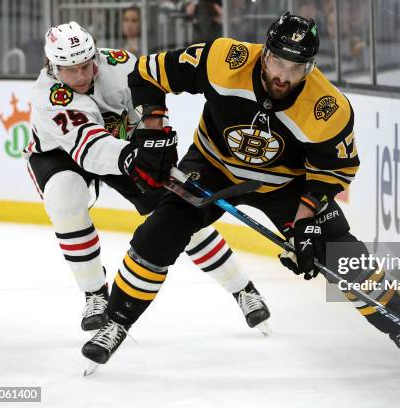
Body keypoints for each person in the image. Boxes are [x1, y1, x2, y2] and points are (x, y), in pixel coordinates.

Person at [82, 12, 400, 370]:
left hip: (285, 185)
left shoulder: (328, 108)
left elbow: (336, 168)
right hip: (211, 169)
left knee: (340, 250)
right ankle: (115, 324)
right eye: (278, 61)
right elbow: (147, 72)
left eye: (296, 67)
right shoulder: (224, 59)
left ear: (311, 67)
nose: (284, 74)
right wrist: (153, 131)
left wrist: (306, 219)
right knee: (160, 231)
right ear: (265, 52)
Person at [24, 21, 270, 335]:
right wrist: (133, 158)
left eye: (86, 66)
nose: (82, 76)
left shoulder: (119, 64)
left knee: (176, 210)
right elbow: (89, 147)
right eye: (72, 70)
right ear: (53, 65)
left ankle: (243, 289)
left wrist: (156, 147)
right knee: (64, 195)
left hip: (122, 142)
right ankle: (95, 294)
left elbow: (151, 103)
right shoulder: (48, 96)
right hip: (60, 152)